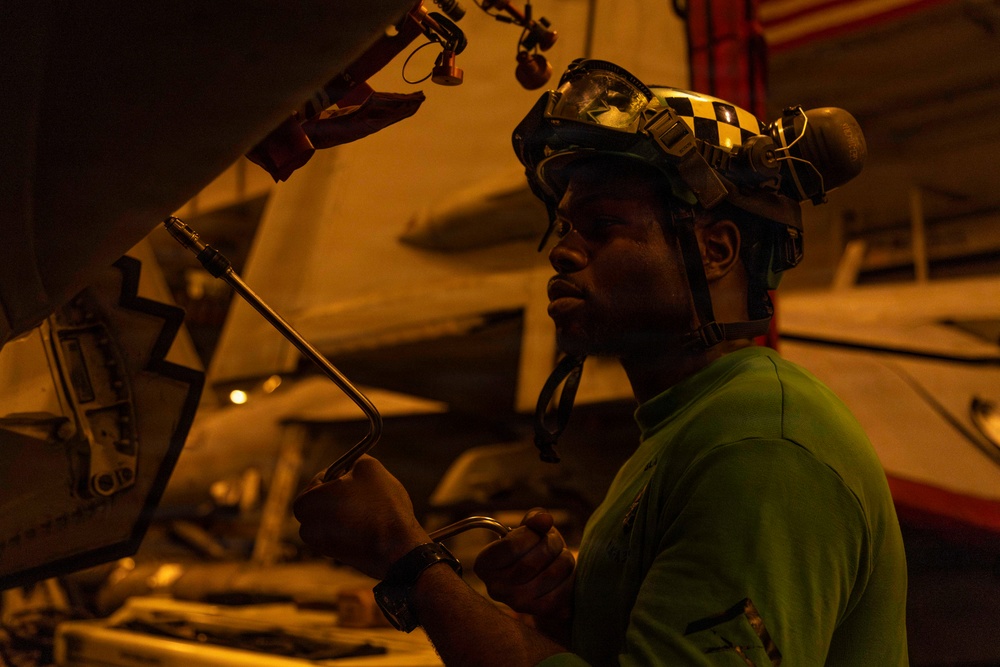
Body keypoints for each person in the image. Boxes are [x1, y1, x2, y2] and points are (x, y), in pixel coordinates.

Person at [293, 59, 909, 666]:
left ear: (715, 249)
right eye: (564, 227)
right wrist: (569, 613)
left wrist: (405, 558)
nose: (561, 252)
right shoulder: (686, 425)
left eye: (602, 226)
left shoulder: (758, 445)